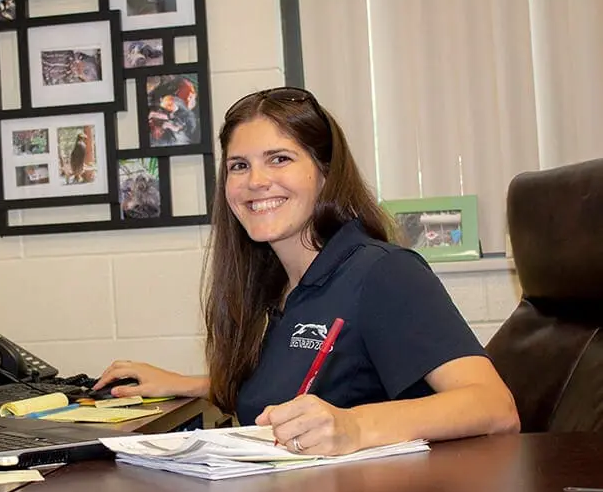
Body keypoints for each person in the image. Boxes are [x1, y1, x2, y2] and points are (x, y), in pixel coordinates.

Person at [93, 87, 520, 456]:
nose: (256, 181)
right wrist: (190, 384)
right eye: (239, 165)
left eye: (279, 159)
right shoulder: (276, 282)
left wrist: (354, 427)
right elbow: (305, 382)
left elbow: (494, 407)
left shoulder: (381, 273)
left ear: (325, 174)